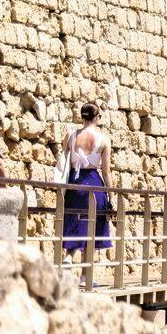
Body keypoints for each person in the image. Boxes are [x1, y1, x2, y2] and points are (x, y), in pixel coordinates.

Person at [60, 103, 114, 255]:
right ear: (97, 117)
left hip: (74, 183)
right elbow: (106, 171)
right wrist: (112, 195)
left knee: (73, 221)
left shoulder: (70, 136)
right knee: (92, 226)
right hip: (93, 182)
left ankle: (69, 258)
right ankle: (85, 276)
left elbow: (64, 161)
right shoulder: (103, 139)